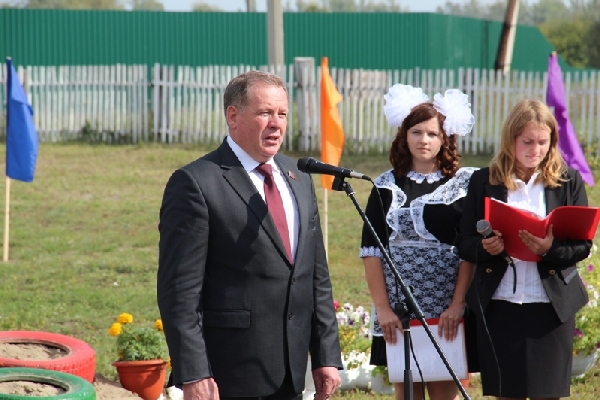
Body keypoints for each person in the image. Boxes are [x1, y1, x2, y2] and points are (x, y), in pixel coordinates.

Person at [157, 70, 342, 400]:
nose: (276, 124)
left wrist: (326, 354)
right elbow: (179, 291)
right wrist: (194, 372)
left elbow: (316, 275)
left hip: (290, 376)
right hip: (229, 375)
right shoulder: (196, 183)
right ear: (233, 116)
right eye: (265, 113)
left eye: (282, 114)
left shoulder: (299, 176)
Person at [457, 99, 591, 400]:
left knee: (548, 394)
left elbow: (581, 246)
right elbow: (464, 243)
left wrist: (550, 248)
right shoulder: (484, 181)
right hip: (501, 305)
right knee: (507, 392)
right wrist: (486, 247)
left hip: (551, 307)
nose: (536, 150)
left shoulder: (568, 181)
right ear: (511, 139)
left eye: (543, 142)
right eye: (527, 142)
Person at [360, 84, 477, 400]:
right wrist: (383, 309)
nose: (424, 140)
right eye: (416, 132)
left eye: (432, 134)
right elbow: (371, 251)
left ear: (444, 139)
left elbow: (469, 252)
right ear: (404, 136)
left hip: (446, 309)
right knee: (407, 393)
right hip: (399, 311)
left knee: (443, 392)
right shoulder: (385, 186)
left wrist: (457, 304)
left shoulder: (462, 187)